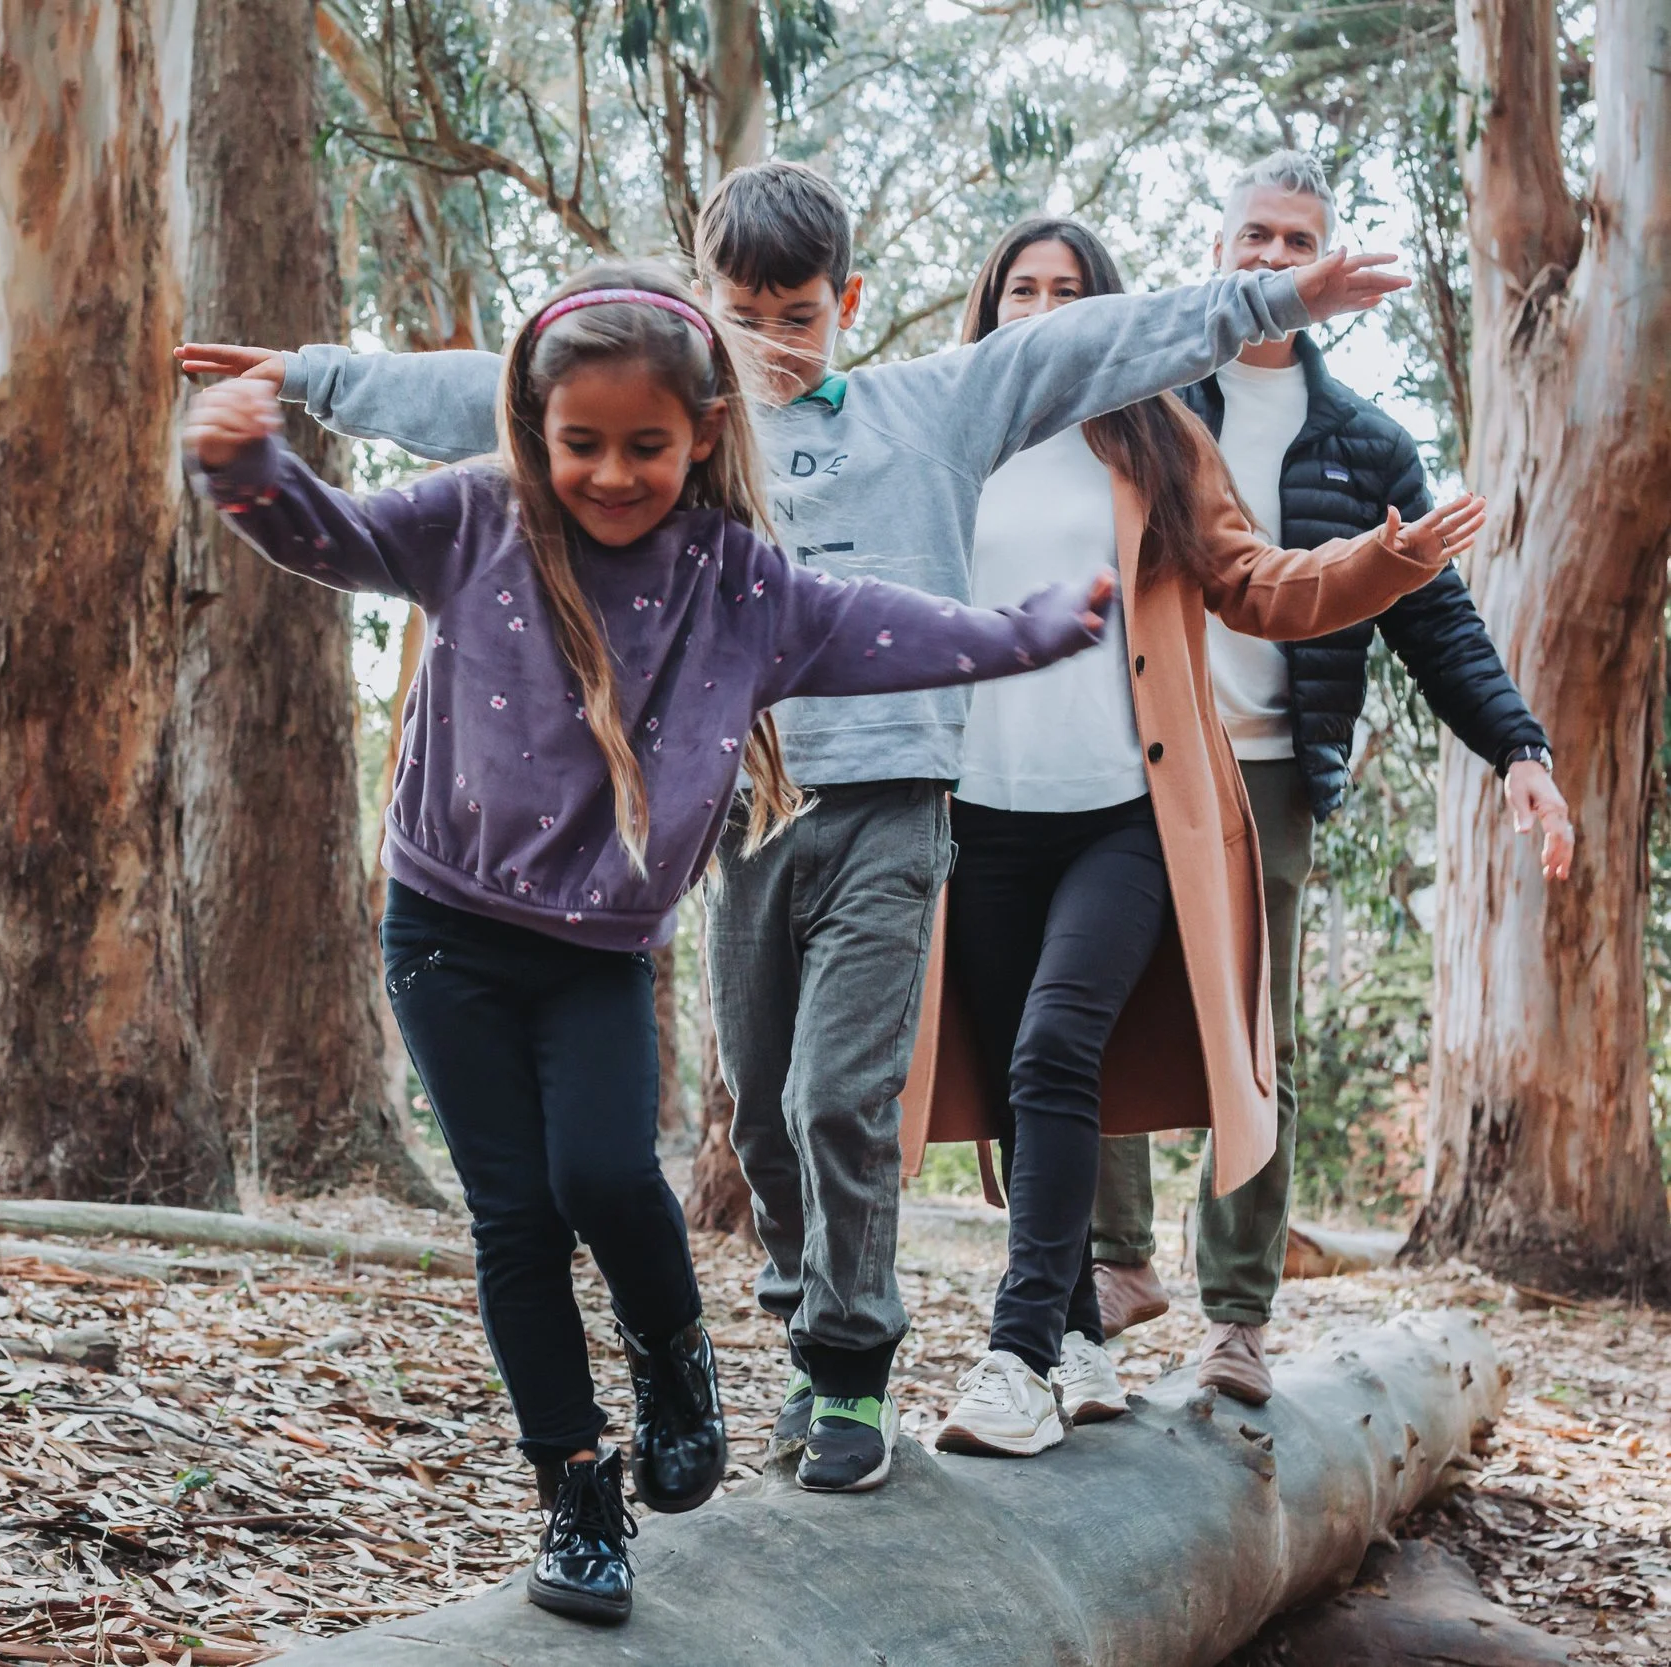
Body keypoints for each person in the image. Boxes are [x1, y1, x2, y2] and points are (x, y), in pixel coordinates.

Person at [176, 159, 1415, 1494]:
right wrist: (304, 376)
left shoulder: (932, 407)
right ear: (706, 317)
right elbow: (490, 388)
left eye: (800, 318)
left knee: (841, 1093)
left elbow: (1096, 336)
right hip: (747, 812)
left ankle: (847, 1364)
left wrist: (1272, 293)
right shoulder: (680, 440)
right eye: (744, 318)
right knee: (763, 1110)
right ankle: (789, 1316)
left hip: (892, 803)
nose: (772, 348)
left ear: (848, 303)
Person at [181, 259, 1108, 1622]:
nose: (612, 474)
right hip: (445, 929)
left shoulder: (738, 583)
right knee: (514, 1218)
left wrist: (1028, 633)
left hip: (599, 947)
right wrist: (248, 460)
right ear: (533, 427)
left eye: (647, 446)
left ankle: (675, 1352)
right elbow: (334, 537)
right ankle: (576, 1490)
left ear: (706, 435)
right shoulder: (480, 519)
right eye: (581, 443)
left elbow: (881, 625)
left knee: (612, 1174)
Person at [893, 218, 1481, 1457]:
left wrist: (1388, 561)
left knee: (1057, 1047)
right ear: (987, 307)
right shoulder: (945, 433)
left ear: (1107, 314)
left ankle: (1014, 1357)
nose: (1041, 309)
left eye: (1068, 290)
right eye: (1019, 290)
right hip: (979, 817)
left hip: (1125, 815)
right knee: (1015, 1084)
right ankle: (1078, 1337)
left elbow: (1259, 585)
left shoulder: (1157, 436)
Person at [1089, 151, 1574, 1407]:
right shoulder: (1140, 402)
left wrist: (1520, 749)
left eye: (1293, 242)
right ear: (1215, 249)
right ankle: (1110, 1262)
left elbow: (1437, 619)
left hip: (1268, 774)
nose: (1267, 259)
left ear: (1326, 267)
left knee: (1258, 1039)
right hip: (1134, 752)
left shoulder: (1363, 440)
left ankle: (1236, 1316)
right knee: (1086, 1000)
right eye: (1251, 235)